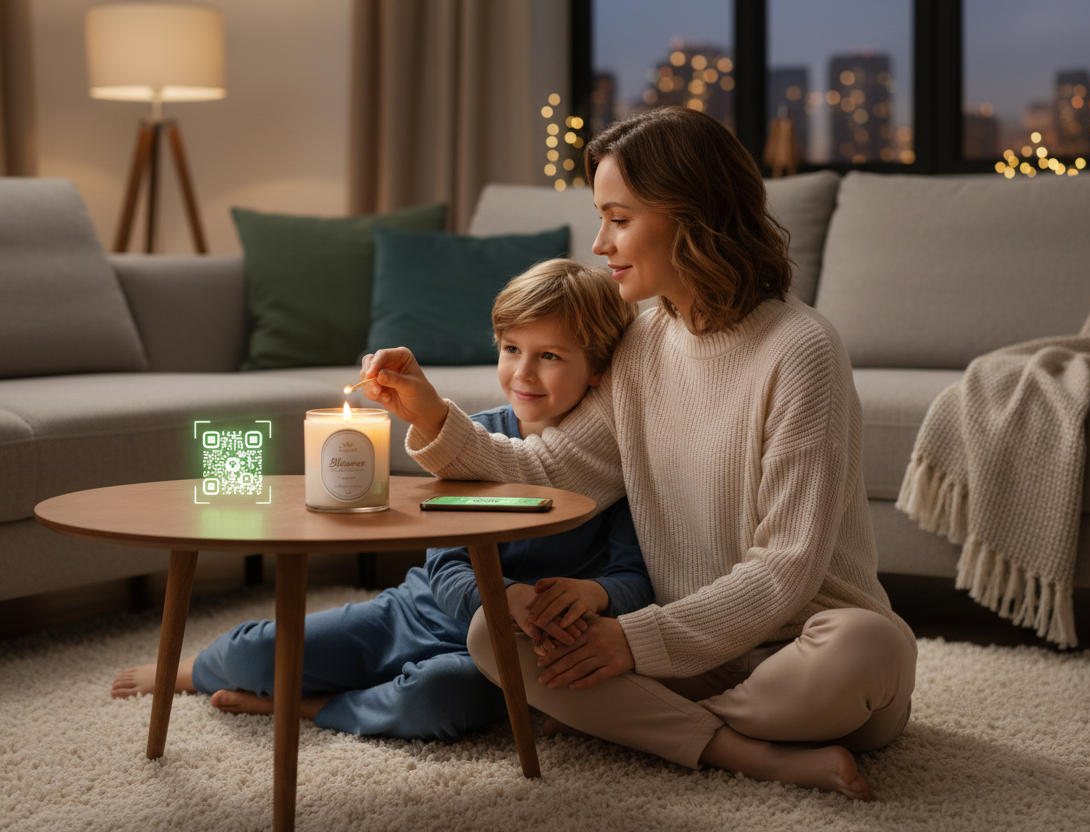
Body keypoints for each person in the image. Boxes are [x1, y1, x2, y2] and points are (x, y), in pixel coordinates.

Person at [358, 106, 918, 800]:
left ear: (693, 216)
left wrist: (630, 645)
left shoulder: (800, 350)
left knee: (869, 648)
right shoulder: (644, 343)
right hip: (678, 658)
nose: (599, 243)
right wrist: (432, 415)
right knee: (491, 631)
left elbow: (785, 570)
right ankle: (738, 749)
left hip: (797, 650)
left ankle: (638, 724)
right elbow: (550, 472)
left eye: (619, 219)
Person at [110, 259, 652, 742]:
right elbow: (445, 566)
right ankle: (194, 668)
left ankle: (311, 709)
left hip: (503, 654)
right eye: (512, 349)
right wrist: (501, 598)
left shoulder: (612, 464)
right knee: (260, 653)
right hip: (419, 613)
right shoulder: (473, 441)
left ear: (600, 368)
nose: (523, 373)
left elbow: (635, 577)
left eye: (549, 355)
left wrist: (595, 594)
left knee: (439, 700)